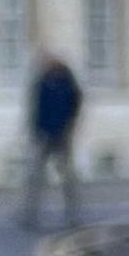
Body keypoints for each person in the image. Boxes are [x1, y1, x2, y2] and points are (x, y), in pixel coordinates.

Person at [18, 49, 84, 231]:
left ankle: (73, 214)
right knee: (36, 176)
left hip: (61, 134)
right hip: (44, 134)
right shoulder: (42, 83)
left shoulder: (67, 83)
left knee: (67, 178)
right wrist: (34, 130)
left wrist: (69, 127)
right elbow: (36, 108)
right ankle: (30, 214)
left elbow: (75, 106)